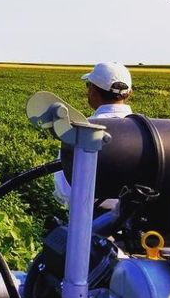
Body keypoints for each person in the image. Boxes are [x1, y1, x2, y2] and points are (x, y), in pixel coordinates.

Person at [54, 62, 133, 206]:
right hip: (137, 217)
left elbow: (65, 189)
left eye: (88, 85)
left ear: (93, 91)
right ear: (129, 93)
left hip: (91, 217)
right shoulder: (149, 129)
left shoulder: (79, 130)